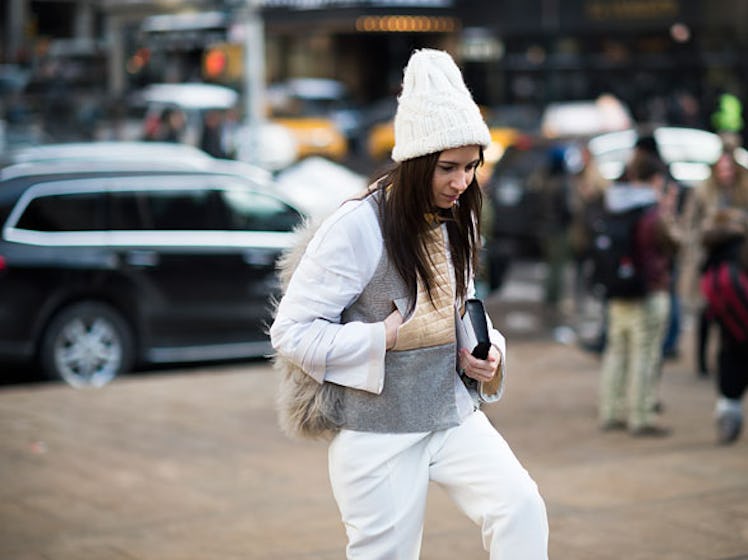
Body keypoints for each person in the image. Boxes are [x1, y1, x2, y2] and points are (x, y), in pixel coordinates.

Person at [270, 49, 549, 559]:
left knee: (520, 507)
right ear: (417, 161)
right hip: (376, 429)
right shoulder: (356, 226)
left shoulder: (456, 215)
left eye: (470, 166)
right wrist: (384, 336)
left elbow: (458, 305)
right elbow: (290, 333)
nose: (462, 182)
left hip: (452, 413)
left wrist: (486, 355)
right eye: (448, 167)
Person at [598, 152, 680, 437]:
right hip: (649, 290)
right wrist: (668, 210)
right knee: (645, 354)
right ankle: (641, 416)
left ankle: (611, 410)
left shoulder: (613, 204)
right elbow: (673, 244)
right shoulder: (652, 212)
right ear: (656, 180)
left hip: (617, 290)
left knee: (616, 351)